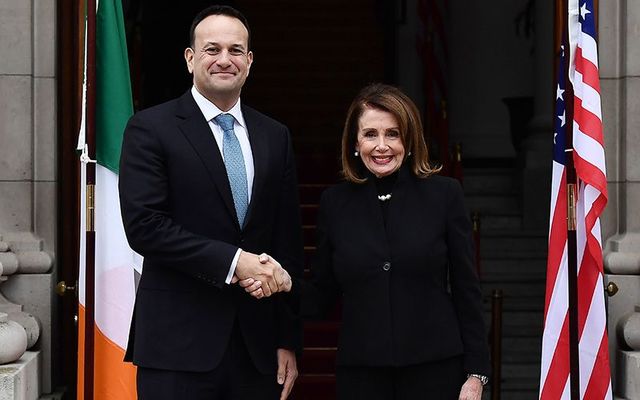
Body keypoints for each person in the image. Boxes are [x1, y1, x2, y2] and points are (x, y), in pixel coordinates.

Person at [241, 83, 490, 399]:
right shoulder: (335, 203)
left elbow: (467, 289)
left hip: (436, 369)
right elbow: (321, 296)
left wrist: (476, 374)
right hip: (362, 375)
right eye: (371, 134)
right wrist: (283, 282)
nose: (382, 145)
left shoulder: (444, 195)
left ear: (409, 141)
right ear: (355, 143)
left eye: (393, 134)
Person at [118, 5, 303, 400]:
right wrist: (236, 262)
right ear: (190, 58)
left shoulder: (275, 136)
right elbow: (145, 227)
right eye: (211, 49)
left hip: (257, 351)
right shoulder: (150, 129)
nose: (224, 60)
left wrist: (287, 339)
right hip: (176, 349)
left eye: (236, 51)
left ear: (249, 61)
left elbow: (286, 242)